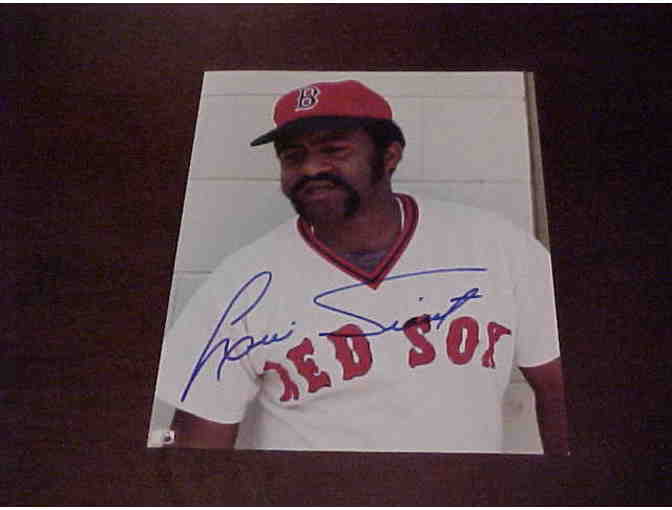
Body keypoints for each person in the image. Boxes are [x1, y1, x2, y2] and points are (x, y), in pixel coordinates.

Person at [154, 79, 568, 454]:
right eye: (293, 156)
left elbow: (560, 390)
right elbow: (196, 445)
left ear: (390, 156)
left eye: (334, 150)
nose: (310, 168)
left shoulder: (498, 247)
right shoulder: (243, 281)